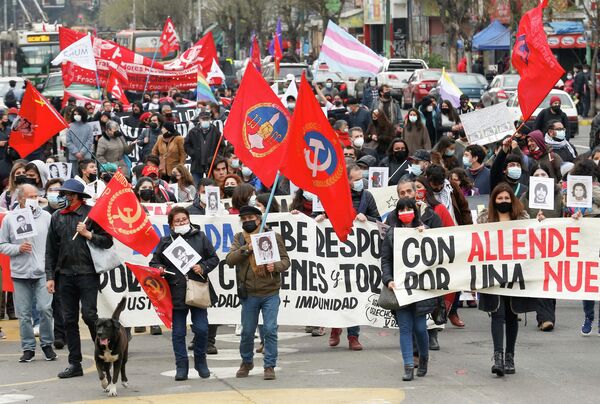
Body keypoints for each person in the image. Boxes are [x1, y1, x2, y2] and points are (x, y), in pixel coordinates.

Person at [45, 179, 113, 378]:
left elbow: (107, 241)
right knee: (69, 320)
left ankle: (102, 354)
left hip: (87, 274)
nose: (62, 198)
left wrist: (88, 234)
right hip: (64, 275)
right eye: (62, 194)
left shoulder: (92, 214)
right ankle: (75, 363)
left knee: (89, 315)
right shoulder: (56, 217)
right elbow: (50, 250)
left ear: (76, 197)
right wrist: (50, 276)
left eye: (66, 194)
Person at [150, 207, 219, 380]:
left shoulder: (200, 237)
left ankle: (201, 362)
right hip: (175, 292)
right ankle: (181, 367)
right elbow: (154, 261)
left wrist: (203, 267)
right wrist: (160, 269)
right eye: (177, 221)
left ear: (189, 220)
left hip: (198, 290)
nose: (181, 223)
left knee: (202, 329)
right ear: (171, 225)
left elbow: (214, 258)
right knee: (178, 333)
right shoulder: (166, 241)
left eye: (183, 219)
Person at [477, 183, 537, 377]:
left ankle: (510, 356)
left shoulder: (523, 217)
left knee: (512, 314)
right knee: (497, 313)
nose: (503, 201)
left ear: (512, 199)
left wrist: (541, 223)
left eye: (506, 198)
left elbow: (535, 236)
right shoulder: (484, 218)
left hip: (516, 274)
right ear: (494, 200)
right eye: (499, 198)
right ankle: (498, 359)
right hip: (493, 273)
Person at [226, 205, 290, 380]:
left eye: (251, 219)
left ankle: (269, 365)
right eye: (244, 220)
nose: (247, 222)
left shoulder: (273, 237)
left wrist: (275, 266)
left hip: (270, 292)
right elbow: (229, 259)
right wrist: (247, 249)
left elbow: (286, 260)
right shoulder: (239, 238)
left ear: (259, 219)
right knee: (247, 331)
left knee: (270, 330)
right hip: (249, 294)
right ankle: (246, 362)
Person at [381, 197, 439, 381]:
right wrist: (388, 279)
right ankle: (407, 365)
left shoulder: (425, 231)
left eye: (409, 208)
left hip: (420, 289)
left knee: (421, 328)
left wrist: (426, 235)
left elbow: (435, 256)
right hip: (400, 288)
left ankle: (423, 358)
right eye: (402, 209)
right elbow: (386, 260)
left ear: (415, 211)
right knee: (405, 328)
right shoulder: (391, 234)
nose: (405, 212)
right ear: (397, 213)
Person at [0, 184, 56, 362]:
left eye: (36, 196)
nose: (34, 199)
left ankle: (47, 343)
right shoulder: (10, 219)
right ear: (21, 198)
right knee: (23, 313)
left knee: (45, 308)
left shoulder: (46, 217)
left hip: (42, 272)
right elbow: (2, 244)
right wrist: (17, 248)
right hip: (20, 273)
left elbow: (54, 243)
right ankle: (28, 347)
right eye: (30, 196)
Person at [185, 111, 223, 184]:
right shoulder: (193, 131)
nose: (205, 121)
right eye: (203, 119)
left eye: (207, 119)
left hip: (211, 165)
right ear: (199, 119)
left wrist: (216, 157)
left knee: (212, 186)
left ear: (210, 120)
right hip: (196, 165)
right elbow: (186, 145)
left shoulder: (216, 131)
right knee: (198, 187)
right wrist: (193, 154)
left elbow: (222, 146)